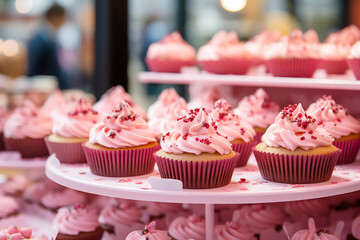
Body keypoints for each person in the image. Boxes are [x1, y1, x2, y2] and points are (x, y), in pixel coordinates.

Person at [27, 4, 69, 89]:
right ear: (55, 17)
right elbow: (32, 68)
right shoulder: (42, 39)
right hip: (43, 90)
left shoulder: (46, 37)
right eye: (63, 18)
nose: (63, 22)